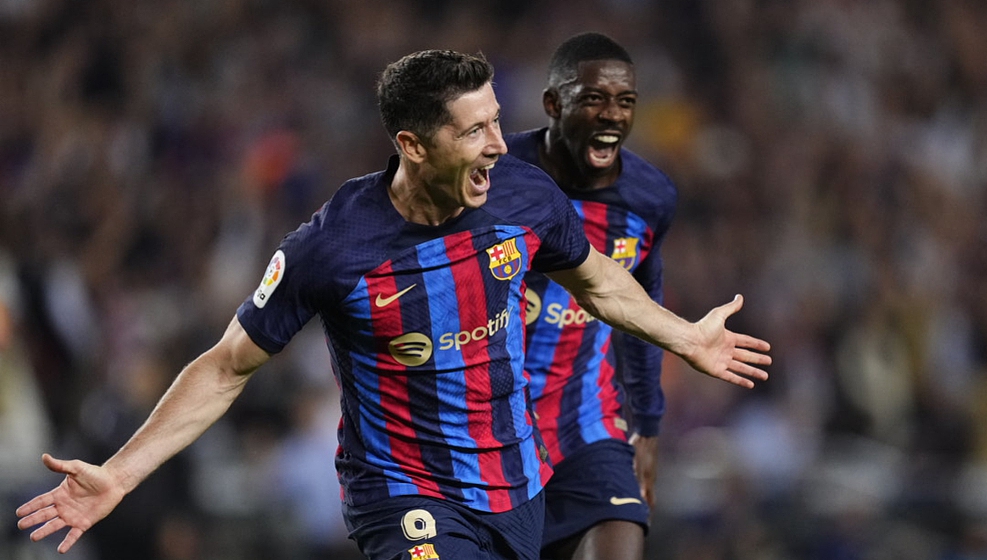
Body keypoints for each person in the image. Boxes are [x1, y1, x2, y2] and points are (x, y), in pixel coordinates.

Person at [15, 49, 771, 560]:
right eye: (473, 131)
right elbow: (225, 367)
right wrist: (121, 472)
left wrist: (685, 339)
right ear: (412, 144)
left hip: (516, 488)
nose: (497, 145)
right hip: (402, 491)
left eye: (496, 122)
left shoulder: (525, 198)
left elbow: (598, 281)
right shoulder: (333, 247)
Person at [503, 32, 678, 560]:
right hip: (484, 435)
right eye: (594, 99)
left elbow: (642, 311)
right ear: (553, 105)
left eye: (625, 102)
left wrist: (646, 424)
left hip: (586, 428)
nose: (612, 116)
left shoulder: (650, 198)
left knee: (622, 539)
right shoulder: (494, 176)